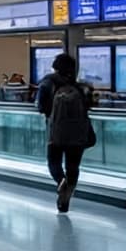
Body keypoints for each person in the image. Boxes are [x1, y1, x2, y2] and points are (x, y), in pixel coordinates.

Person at [37, 53, 94, 213]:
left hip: (56, 131)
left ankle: (61, 181)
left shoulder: (48, 82)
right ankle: (66, 198)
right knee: (73, 166)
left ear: (55, 66)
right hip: (78, 132)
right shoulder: (80, 86)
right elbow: (89, 105)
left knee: (53, 162)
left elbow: (41, 106)